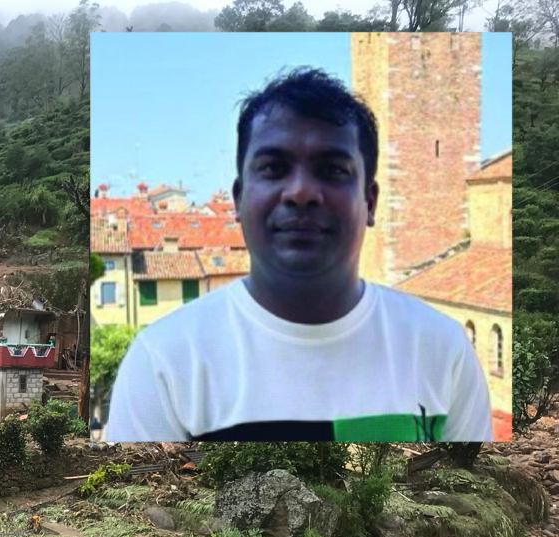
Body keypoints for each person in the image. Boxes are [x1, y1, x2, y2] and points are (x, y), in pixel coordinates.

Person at [103, 68, 492, 442]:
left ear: (370, 202)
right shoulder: (163, 362)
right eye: (273, 168)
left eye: (333, 170)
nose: (301, 192)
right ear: (238, 198)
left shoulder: (442, 349)